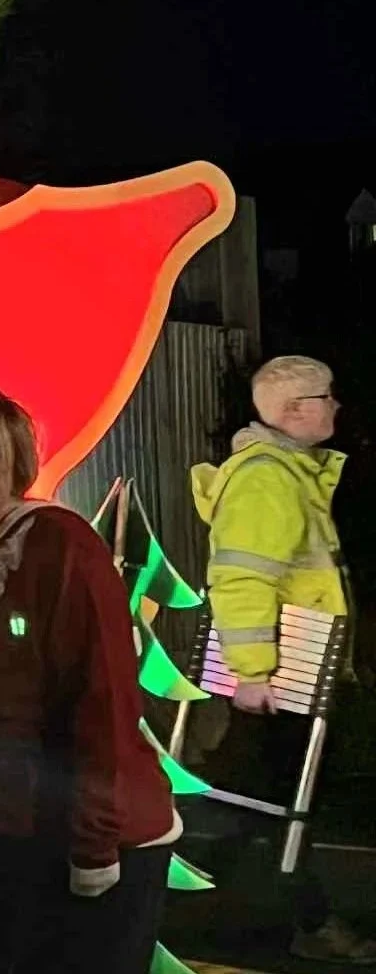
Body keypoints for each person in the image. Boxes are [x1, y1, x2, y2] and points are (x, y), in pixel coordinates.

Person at [0, 385, 175, 974]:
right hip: (9, 835)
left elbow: (104, 701)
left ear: (16, 462)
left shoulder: (60, 545)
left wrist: (94, 848)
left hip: (84, 842)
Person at [188, 355, 374, 964]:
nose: (336, 407)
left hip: (291, 676)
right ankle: (296, 923)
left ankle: (200, 903)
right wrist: (251, 674)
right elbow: (242, 579)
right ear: (295, 411)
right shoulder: (269, 479)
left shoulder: (286, 474)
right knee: (277, 807)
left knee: (264, 804)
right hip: (284, 680)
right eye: (327, 397)